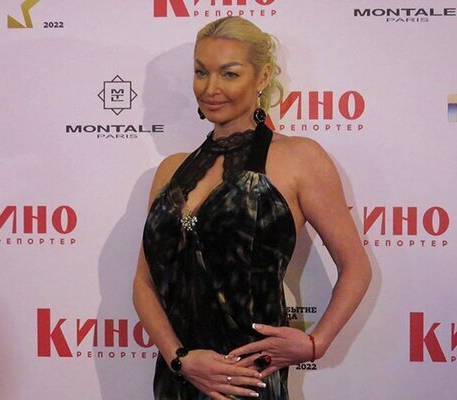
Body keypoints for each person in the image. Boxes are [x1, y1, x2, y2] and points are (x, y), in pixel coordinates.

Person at [133, 16, 372, 400]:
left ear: (262, 78)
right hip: (178, 381)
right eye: (201, 72)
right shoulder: (170, 171)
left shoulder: (300, 159)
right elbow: (144, 283)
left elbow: (356, 266)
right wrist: (180, 359)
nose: (210, 88)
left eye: (229, 74)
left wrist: (316, 343)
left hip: (249, 383)